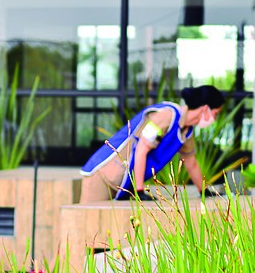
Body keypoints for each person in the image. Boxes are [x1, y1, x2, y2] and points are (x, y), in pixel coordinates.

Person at [79, 85, 225, 203]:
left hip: (124, 183)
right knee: (86, 229)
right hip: (105, 174)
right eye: (216, 113)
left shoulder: (187, 132)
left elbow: (190, 162)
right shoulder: (167, 115)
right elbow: (141, 149)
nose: (215, 118)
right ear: (205, 108)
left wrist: (204, 191)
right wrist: (140, 192)